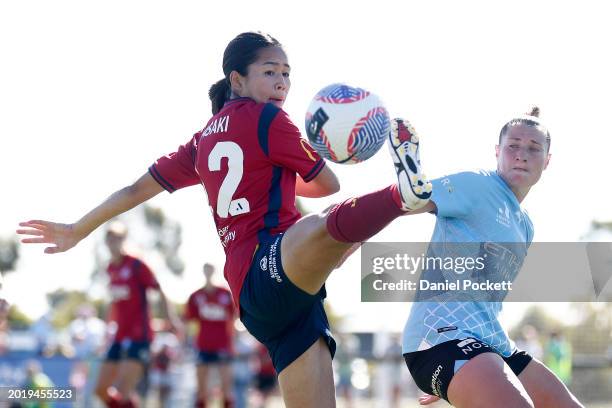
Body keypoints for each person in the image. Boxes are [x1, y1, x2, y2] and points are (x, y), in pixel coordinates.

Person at [16, 31, 431, 407]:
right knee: (325, 225)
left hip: (263, 301)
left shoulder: (201, 141)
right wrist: (308, 158)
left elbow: (133, 191)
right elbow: (327, 182)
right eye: (270, 72)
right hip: (269, 268)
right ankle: (402, 196)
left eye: (286, 73)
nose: (282, 83)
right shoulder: (268, 119)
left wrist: (77, 229)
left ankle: (399, 202)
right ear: (237, 80)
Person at [397, 108, 584, 407]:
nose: (522, 155)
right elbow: (411, 199)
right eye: (513, 146)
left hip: (490, 345)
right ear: (497, 152)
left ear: (547, 161)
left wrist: (466, 378)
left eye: (534, 149)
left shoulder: (525, 226)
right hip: (439, 340)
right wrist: (350, 230)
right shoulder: (478, 185)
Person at [92, 222, 181, 407]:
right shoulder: (110, 268)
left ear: (124, 240)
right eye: (110, 238)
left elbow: (159, 290)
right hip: (119, 335)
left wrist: (170, 319)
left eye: (117, 238)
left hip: (140, 335)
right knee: (100, 390)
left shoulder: (137, 265)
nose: (113, 242)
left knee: (122, 390)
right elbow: (114, 303)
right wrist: (107, 328)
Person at [184, 263, 236, 408]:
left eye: (210, 269)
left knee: (226, 387)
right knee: (201, 389)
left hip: (223, 345)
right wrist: (185, 343)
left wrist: (234, 343)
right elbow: (189, 322)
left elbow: (234, 319)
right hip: (203, 345)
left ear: (213, 271)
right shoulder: (196, 296)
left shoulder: (225, 294)